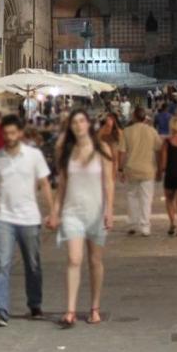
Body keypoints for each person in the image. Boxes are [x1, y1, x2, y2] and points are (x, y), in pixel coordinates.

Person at [0, 114, 58, 327]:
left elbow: (45, 184)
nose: (9, 137)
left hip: (29, 218)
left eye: (12, 132)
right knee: (1, 264)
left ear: (20, 133)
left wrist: (52, 212)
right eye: (6, 133)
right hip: (3, 218)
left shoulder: (34, 155)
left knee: (33, 264)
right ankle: (0, 310)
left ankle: (35, 303)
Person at [54, 109, 115, 327]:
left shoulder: (101, 150)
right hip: (73, 212)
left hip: (96, 212)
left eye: (81, 121)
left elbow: (109, 182)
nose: (78, 126)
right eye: (74, 122)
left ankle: (94, 307)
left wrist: (109, 210)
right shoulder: (66, 150)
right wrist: (55, 211)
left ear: (88, 124)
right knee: (74, 259)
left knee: (95, 261)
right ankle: (70, 310)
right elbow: (61, 185)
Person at [120, 107, 162, 236]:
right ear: (145, 118)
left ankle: (132, 223)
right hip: (147, 170)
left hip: (131, 169)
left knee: (132, 196)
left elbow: (122, 152)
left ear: (133, 117)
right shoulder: (152, 132)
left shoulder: (126, 132)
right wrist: (160, 168)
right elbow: (159, 150)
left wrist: (120, 169)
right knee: (146, 198)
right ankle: (145, 226)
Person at [98, 114, 124, 178]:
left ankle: (113, 177)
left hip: (114, 152)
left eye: (109, 120)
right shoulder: (103, 129)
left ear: (113, 121)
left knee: (114, 163)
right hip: (105, 153)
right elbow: (97, 139)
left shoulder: (118, 131)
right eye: (106, 120)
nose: (107, 121)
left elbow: (122, 143)